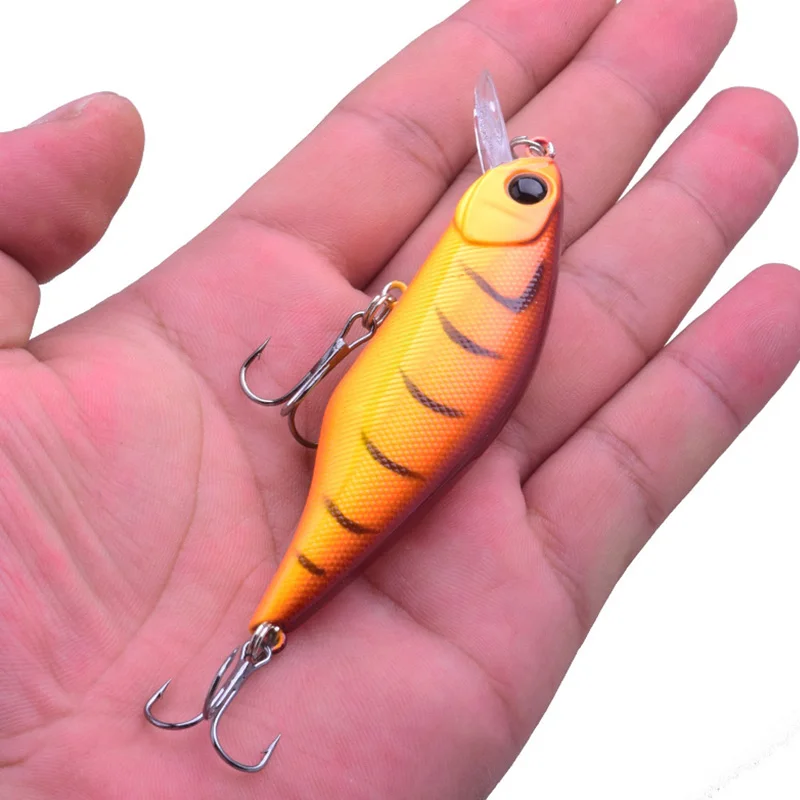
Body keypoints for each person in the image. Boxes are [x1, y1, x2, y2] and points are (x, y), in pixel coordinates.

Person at [0, 0, 797, 796]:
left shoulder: (507, 274)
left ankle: (269, 629)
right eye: (525, 186)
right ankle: (267, 630)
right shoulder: (495, 268)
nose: (513, 183)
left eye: (523, 190)